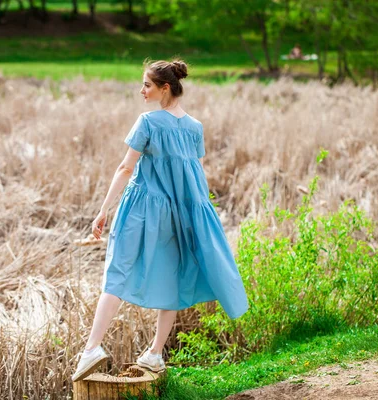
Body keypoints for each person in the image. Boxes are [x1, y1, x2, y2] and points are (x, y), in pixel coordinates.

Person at [71, 58, 249, 382]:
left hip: (141, 208)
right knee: (171, 280)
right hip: (176, 215)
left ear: (164, 88)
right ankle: (155, 354)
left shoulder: (148, 122)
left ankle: (92, 348)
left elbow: (125, 168)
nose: (142, 91)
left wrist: (102, 210)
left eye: (147, 85)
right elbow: (195, 175)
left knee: (117, 272)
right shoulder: (195, 128)